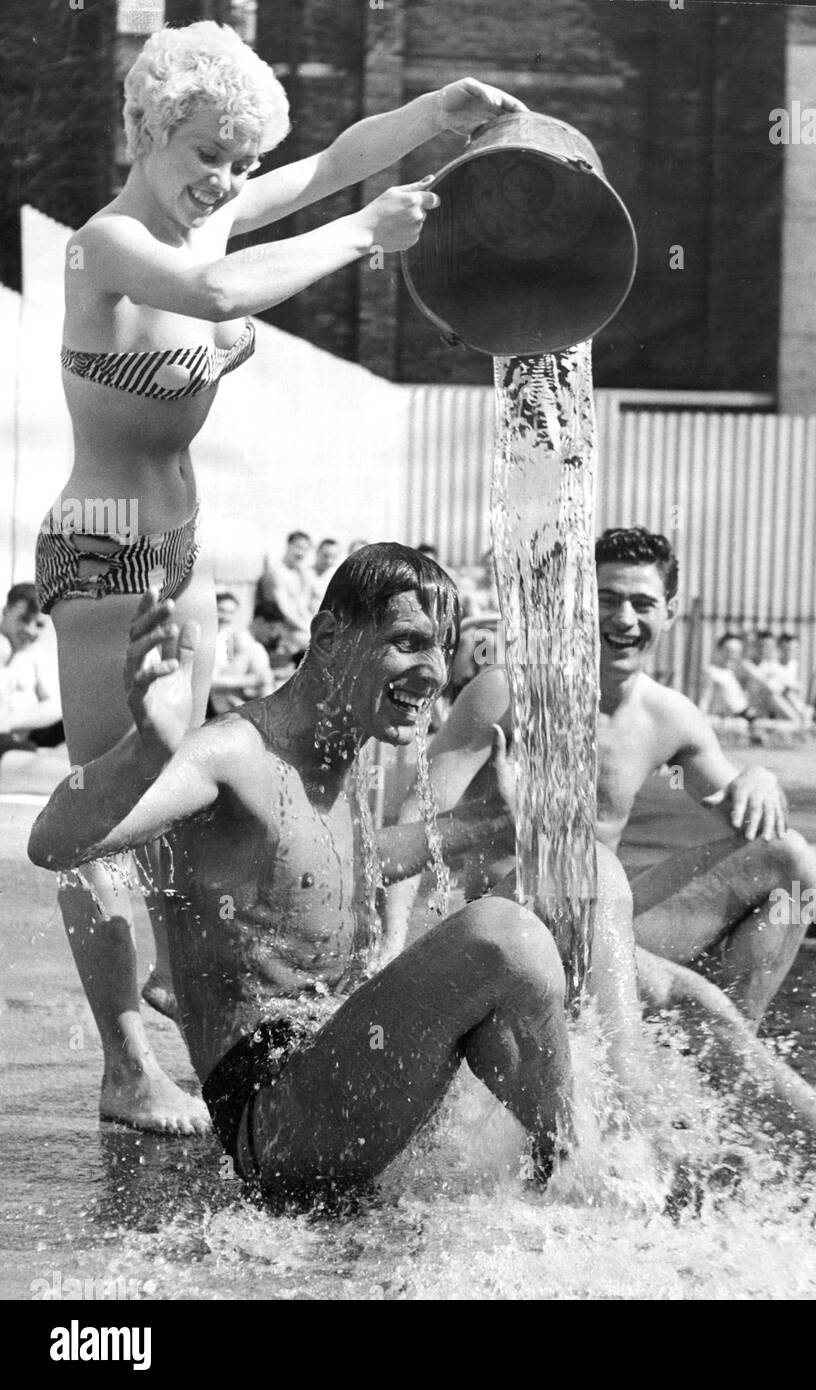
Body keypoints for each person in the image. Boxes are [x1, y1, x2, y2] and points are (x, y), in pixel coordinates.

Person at [33, 16, 527, 1133]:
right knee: (114, 807)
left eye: (239, 164)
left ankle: (186, 984)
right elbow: (216, 302)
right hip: (105, 544)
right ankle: (124, 1062)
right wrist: (365, 235)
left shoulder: (206, 218)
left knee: (180, 804)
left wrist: (428, 118)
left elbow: (328, 163)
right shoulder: (107, 243)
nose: (227, 182)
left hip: (179, 544)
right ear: (152, 129)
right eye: (208, 154)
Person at [29, 546, 642, 1203]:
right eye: (406, 642)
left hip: (339, 1069)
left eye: (445, 648)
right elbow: (56, 843)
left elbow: (336, 868)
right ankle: (591, 1184)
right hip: (274, 1119)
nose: (432, 671)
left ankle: (590, 1164)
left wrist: (485, 822)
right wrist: (145, 750)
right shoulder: (233, 753)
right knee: (503, 936)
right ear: (328, 637)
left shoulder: (339, 747)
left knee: (592, 921)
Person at [386, 529, 816, 1029]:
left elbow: (742, 808)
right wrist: (391, 946)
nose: (624, 619)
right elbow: (421, 812)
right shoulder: (508, 692)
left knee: (791, 859)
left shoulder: (670, 717)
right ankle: (706, 1037)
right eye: (607, 599)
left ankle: (716, 1071)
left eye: (642, 603)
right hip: (506, 921)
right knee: (607, 890)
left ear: (669, 613)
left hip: (604, 925)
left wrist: (761, 775)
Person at [0, 584, 64, 760]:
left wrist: (10, 721)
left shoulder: (35, 656)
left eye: (39, 624)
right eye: (23, 619)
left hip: (20, 739)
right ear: (6, 612)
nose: (30, 630)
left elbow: (57, 707)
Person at [208, 591, 272, 716]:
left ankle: (268, 707)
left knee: (256, 649)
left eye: (230, 612)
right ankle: (268, 711)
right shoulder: (207, 637)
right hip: (214, 697)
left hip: (232, 691)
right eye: (221, 610)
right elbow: (210, 682)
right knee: (255, 649)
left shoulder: (229, 636)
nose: (225, 617)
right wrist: (249, 681)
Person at [258, 531, 314, 658]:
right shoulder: (278, 573)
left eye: (305, 549)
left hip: (296, 627)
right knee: (321, 646)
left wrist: (313, 625)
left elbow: (302, 608)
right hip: (280, 629)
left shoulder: (297, 573)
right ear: (288, 545)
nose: (301, 553)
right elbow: (284, 610)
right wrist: (308, 629)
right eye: (298, 547)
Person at [701, 631, 753, 720]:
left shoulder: (733, 673)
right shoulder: (712, 673)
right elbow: (704, 701)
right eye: (728, 651)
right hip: (722, 720)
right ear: (719, 649)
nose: (732, 656)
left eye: (736, 652)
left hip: (743, 717)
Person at [308, 538, 343, 613]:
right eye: (326, 556)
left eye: (333, 557)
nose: (329, 561)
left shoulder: (337, 577)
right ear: (317, 552)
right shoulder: (305, 574)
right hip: (307, 621)